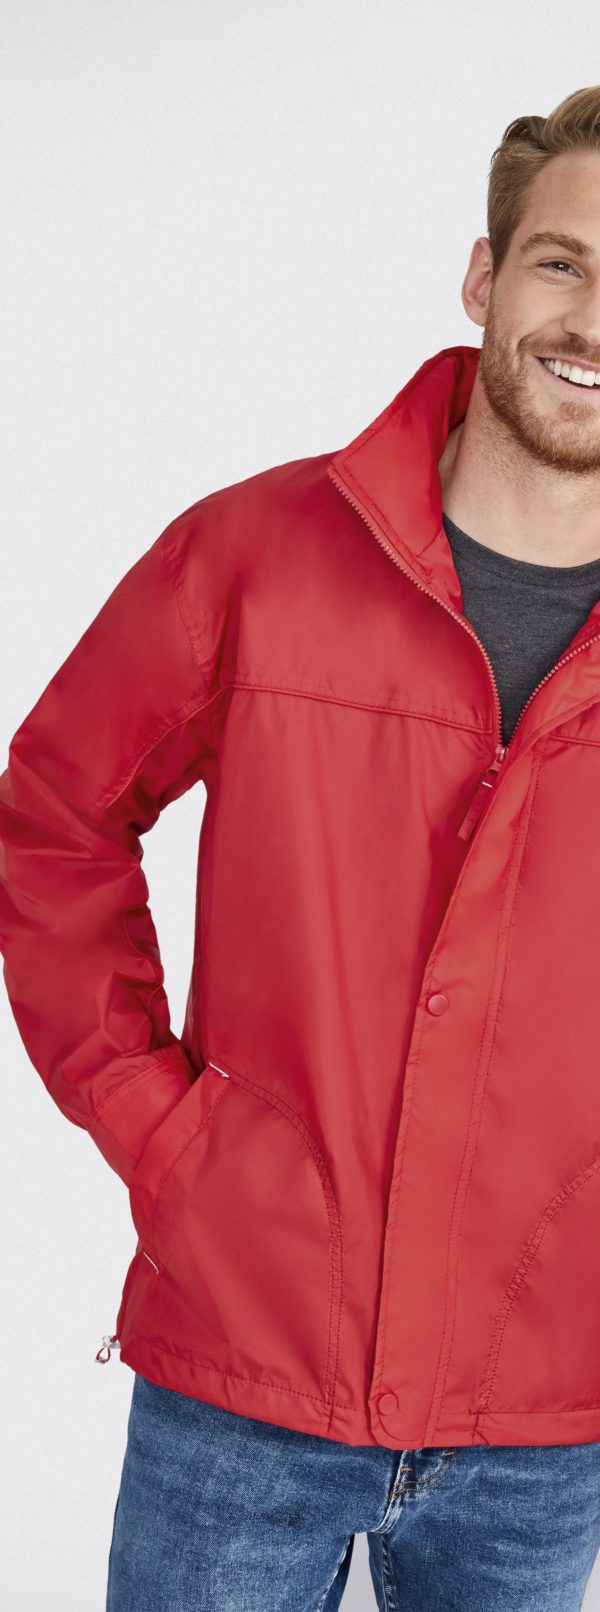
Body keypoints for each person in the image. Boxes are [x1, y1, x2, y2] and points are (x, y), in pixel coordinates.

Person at [2, 81, 600, 1612]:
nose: (594, 322)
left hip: (551, 1410)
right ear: (483, 276)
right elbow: (56, 813)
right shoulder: (259, 559)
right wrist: (160, 1131)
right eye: (563, 263)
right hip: (244, 1370)